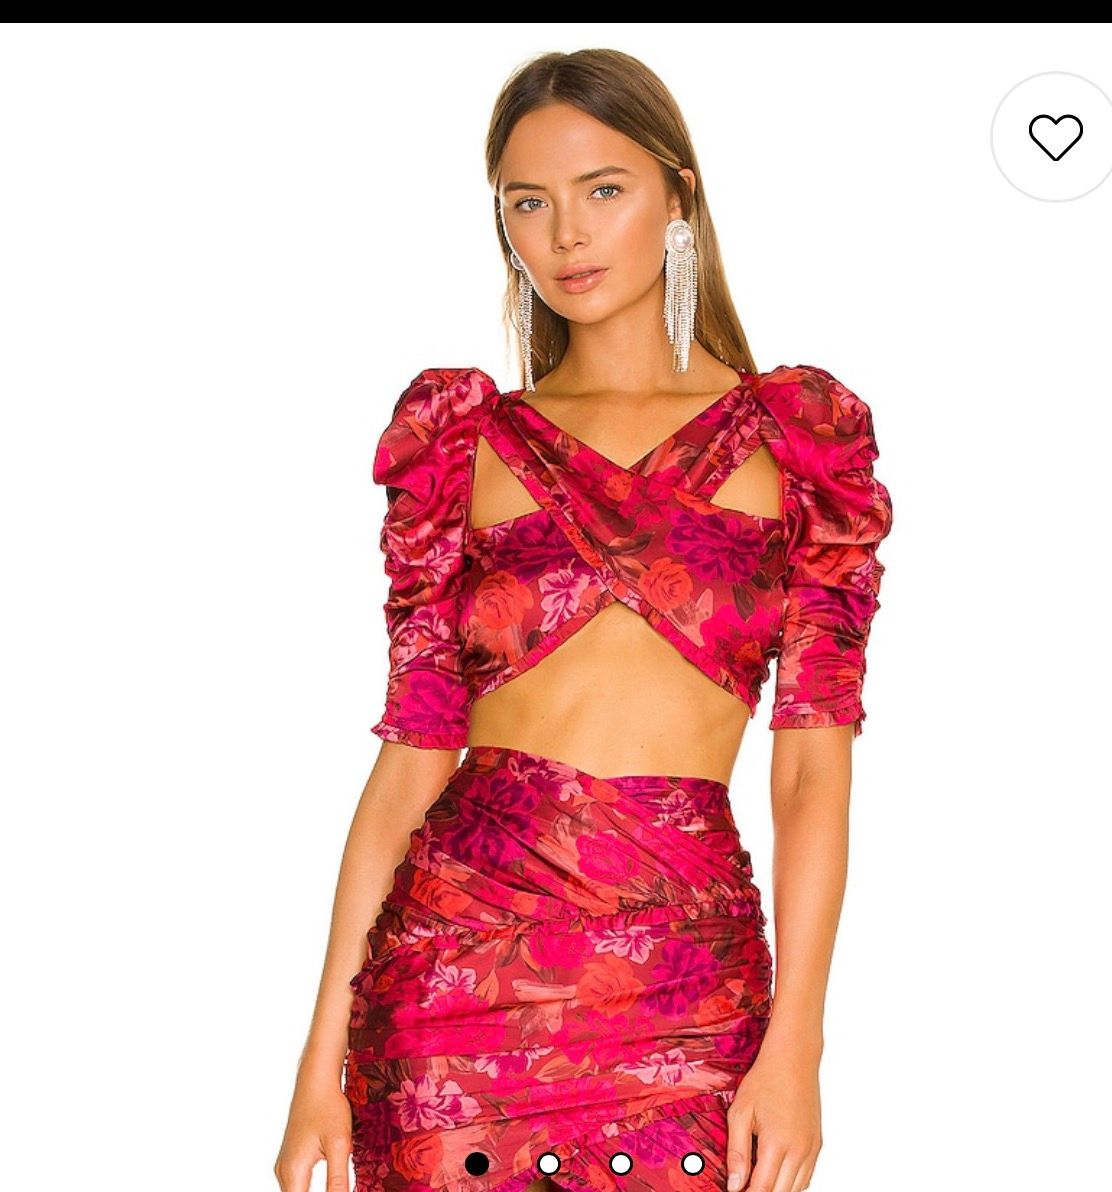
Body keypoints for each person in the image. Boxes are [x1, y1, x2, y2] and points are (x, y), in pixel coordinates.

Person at [275, 47, 894, 1192]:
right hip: (450, 990)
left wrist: (799, 1041)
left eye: (603, 189)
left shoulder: (799, 448)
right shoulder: (460, 444)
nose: (566, 233)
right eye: (529, 201)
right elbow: (409, 768)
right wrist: (319, 1062)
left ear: (678, 193)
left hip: (686, 992)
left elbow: (812, 773)